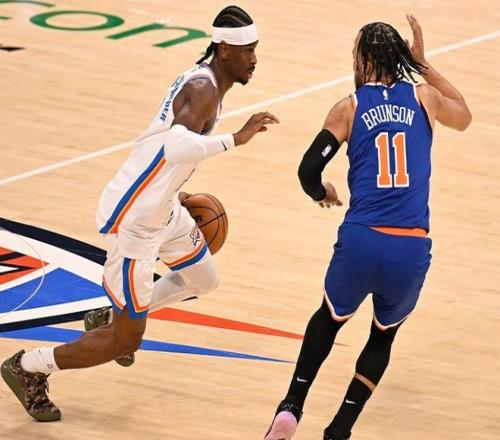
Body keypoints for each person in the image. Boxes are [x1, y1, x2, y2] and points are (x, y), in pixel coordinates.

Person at [1, 5, 278, 422]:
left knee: (204, 278)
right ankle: (29, 366)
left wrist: (174, 189)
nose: (254, 59)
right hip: (136, 221)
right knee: (124, 341)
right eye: (248, 51)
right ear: (224, 50)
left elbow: (167, 152)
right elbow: (176, 147)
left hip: (161, 205)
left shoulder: (206, 82)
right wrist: (236, 139)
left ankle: (107, 315)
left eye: (255, 49)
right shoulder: (202, 89)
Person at [265, 15, 471, 440]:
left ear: (362, 61)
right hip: (409, 246)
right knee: (382, 336)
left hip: (361, 240)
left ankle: (292, 406)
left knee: (328, 319)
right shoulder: (425, 97)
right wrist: (424, 64)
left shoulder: (349, 107)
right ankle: (340, 428)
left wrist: (322, 192)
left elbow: (307, 170)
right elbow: (465, 116)